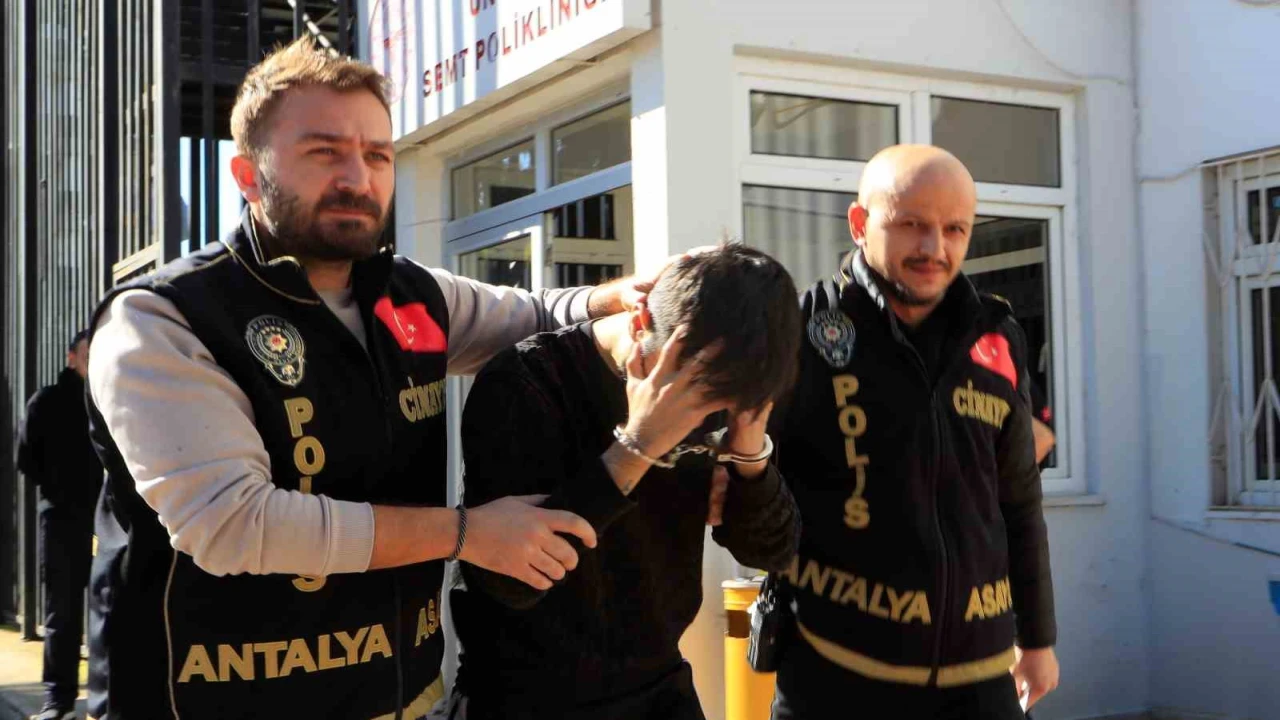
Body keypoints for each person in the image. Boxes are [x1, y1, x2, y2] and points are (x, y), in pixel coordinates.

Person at [83, 37, 660, 720]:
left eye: (378, 155)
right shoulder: (164, 318)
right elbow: (234, 523)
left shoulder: (412, 294)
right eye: (324, 152)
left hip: (403, 696)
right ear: (247, 175)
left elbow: (541, 315)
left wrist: (633, 300)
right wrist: (468, 533)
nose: (358, 178)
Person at [448, 244, 803, 719]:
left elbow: (771, 551)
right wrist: (638, 447)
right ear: (641, 322)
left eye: (727, 405)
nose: (705, 418)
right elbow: (512, 583)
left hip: (658, 685)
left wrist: (750, 453)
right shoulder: (525, 382)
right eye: (697, 397)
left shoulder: (727, 384)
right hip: (527, 696)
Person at [770, 144, 1059, 719]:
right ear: (860, 224)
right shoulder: (799, 332)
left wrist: (1039, 639)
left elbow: (1019, 501)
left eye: (955, 229)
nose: (935, 249)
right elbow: (748, 489)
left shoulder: (998, 336)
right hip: (836, 680)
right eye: (912, 225)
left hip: (981, 682)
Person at [17, 330, 102, 720]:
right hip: (63, 521)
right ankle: (59, 701)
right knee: (62, 614)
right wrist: (63, 492)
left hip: (109, 522)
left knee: (114, 608)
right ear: (71, 357)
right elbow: (26, 460)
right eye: (88, 352)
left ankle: (110, 696)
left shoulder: (111, 399)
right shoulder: (47, 401)